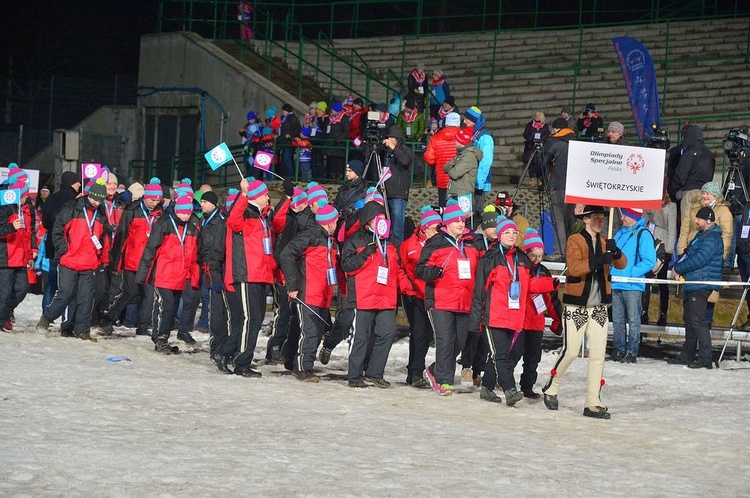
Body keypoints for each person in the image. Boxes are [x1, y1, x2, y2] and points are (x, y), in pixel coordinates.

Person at [542, 205, 627, 420]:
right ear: (586, 219)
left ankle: (593, 400)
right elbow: (574, 268)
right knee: (571, 350)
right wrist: (599, 260)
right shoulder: (575, 239)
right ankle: (552, 384)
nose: (601, 222)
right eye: (597, 218)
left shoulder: (604, 242)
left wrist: (615, 252)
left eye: (602, 218)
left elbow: (622, 264)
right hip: (577, 305)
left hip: (599, 305)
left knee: (598, 354)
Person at [470, 216, 558, 405]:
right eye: (507, 232)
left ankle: (486, 388)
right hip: (493, 317)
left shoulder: (522, 259)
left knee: (500, 355)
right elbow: (479, 290)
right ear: (500, 235)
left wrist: (551, 283)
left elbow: (530, 284)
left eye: (514, 232)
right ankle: (510, 390)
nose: (511, 235)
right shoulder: (490, 258)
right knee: (501, 355)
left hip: (513, 317)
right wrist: (476, 319)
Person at [417, 200, 479, 396]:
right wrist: (435, 272)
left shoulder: (470, 244)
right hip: (440, 300)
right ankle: (444, 381)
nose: (461, 223)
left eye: (462, 220)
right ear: (447, 223)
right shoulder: (435, 243)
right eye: (456, 221)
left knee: (459, 342)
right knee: (445, 340)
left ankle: (434, 370)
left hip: (464, 301)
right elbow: (420, 269)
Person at [36, 180, 109, 340]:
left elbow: (103, 237)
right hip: (69, 261)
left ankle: (82, 330)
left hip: (89, 263)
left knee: (86, 298)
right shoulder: (72, 208)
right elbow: (57, 230)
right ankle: (46, 319)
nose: (97, 203)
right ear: (89, 195)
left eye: (100, 200)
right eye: (95, 199)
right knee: (65, 294)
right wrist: (63, 250)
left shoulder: (101, 214)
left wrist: (99, 255)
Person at [340, 201, 402, 388]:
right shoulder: (356, 240)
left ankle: (375, 372)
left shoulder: (390, 240)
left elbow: (396, 266)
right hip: (364, 296)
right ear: (368, 221)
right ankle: (355, 376)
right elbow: (347, 266)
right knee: (360, 337)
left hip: (386, 296)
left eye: (384, 218)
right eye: (378, 218)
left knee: (388, 332)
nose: (382, 221)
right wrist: (366, 254)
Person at [279, 200, 339, 382]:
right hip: (308, 291)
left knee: (313, 330)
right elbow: (286, 254)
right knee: (310, 332)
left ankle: (296, 360)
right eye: (336, 222)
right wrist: (293, 285)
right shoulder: (310, 235)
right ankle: (303, 367)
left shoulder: (329, 240)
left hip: (322, 294)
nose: (337, 226)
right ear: (329, 223)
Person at [136, 195, 200, 354]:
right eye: (183, 213)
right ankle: (160, 339)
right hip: (163, 274)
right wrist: (142, 274)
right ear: (177, 211)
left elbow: (194, 255)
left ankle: (163, 338)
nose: (186, 215)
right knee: (165, 307)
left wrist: (194, 277)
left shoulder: (192, 227)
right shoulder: (164, 223)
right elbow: (151, 249)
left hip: (180, 275)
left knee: (171, 310)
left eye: (188, 213)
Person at [101, 178, 164, 336]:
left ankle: (143, 327)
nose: (155, 202)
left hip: (150, 262)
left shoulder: (161, 214)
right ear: (145, 196)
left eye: (158, 200)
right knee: (128, 293)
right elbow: (121, 237)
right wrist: (116, 262)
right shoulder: (132, 210)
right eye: (152, 199)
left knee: (149, 296)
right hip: (132, 260)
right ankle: (108, 318)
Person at [669, 206, 723, 369]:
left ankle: (706, 359)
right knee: (690, 321)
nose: (696, 221)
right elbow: (690, 254)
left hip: (701, 283)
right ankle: (687, 355)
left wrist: (679, 268)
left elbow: (699, 259)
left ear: (707, 220)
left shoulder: (712, 238)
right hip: (693, 282)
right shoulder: (702, 236)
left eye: (698, 219)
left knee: (698, 322)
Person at [515, 228, 562, 398]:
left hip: (536, 321)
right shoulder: (518, 267)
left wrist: (557, 320)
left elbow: (552, 299)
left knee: (533, 358)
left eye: (540, 256)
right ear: (526, 253)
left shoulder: (544, 272)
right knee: (513, 354)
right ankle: (503, 380)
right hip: (518, 321)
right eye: (533, 255)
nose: (536, 259)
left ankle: (527, 386)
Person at [609, 208, 657, 363]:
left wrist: (632, 273)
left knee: (633, 320)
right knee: (617, 320)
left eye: (625, 214)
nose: (622, 217)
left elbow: (649, 261)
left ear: (633, 216)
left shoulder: (643, 234)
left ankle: (632, 351)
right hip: (617, 283)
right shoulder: (619, 233)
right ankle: (619, 349)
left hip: (632, 285)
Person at [400, 206, 440, 387]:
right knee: (418, 333)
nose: (437, 231)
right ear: (424, 227)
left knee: (428, 334)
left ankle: (417, 369)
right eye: (434, 227)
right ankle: (415, 372)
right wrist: (406, 287)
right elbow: (400, 268)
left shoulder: (440, 243)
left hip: (432, 295)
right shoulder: (409, 245)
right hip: (414, 295)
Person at [41, 170, 81, 312]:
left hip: (52, 245)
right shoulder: (75, 200)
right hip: (71, 247)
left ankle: (47, 311)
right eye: (77, 183)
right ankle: (65, 314)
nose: (79, 185)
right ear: (72, 183)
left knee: (51, 282)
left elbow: (44, 223)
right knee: (68, 285)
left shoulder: (51, 199)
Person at [0, 169, 35, 332]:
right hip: (5, 256)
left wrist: (30, 253)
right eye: (24, 191)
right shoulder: (3, 203)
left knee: (22, 288)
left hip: (20, 255)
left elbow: (28, 233)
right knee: (4, 293)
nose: (26, 195)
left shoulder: (26, 208)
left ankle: (4, 314)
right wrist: (10, 227)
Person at [542, 117, 576, 257]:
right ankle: (573, 252)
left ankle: (560, 251)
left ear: (557, 129)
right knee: (572, 221)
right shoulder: (577, 142)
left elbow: (543, 162)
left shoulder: (556, 143)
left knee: (559, 220)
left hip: (558, 187)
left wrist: (545, 175)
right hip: (575, 189)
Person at [642, 190, 677, 326]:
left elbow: (671, 229)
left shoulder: (670, 206)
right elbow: (645, 220)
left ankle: (663, 313)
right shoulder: (647, 204)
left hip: (662, 245)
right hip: (648, 243)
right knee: (646, 280)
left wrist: (668, 250)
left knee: (662, 282)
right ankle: (644, 311)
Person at [667, 124, 715, 219]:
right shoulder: (710, 154)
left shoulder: (689, 153)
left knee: (686, 225)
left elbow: (680, 176)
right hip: (705, 195)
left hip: (688, 194)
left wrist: (672, 191)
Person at [382, 124, 415, 245]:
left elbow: (404, 161)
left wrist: (393, 148)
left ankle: (398, 253)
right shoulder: (385, 152)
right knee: (384, 228)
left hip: (398, 195)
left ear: (397, 139)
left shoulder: (406, 151)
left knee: (397, 229)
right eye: (387, 138)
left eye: (392, 138)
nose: (389, 141)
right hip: (384, 193)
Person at [424, 112, 460, 207]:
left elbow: (429, 158)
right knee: (460, 212)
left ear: (445, 123)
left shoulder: (436, 137)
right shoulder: (463, 137)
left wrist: (439, 162)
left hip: (442, 180)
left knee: (444, 209)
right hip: (460, 180)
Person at [463, 106, 494, 215]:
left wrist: (479, 183)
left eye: (467, 120)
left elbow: (486, 161)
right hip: (471, 180)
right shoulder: (473, 134)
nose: (464, 121)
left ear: (474, 121)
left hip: (478, 182)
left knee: (475, 213)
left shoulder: (485, 137)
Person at [443, 126, 481, 202]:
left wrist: (454, 165)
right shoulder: (461, 154)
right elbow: (445, 168)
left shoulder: (469, 156)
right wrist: (455, 162)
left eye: (456, 140)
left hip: (463, 196)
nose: (454, 142)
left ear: (461, 142)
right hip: (456, 194)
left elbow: (454, 174)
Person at [325, 101, 350, 179]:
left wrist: (338, 139)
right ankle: (330, 176)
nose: (331, 111)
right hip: (330, 142)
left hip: (339, 144)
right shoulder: (330, 118)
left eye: (332, 109)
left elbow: (346, 131)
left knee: (338, 161)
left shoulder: (344, 118)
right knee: (331, 160)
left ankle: (338, 177)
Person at [279, 103, 302, 178]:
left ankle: (291, 175)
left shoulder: (293, 119)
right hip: (285, 142)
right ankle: (287, 174)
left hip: (290, 142)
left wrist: (290, 135)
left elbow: (297, 129)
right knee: (286, 159)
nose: (282, 112)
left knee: (287, 158)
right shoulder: (285, 118)